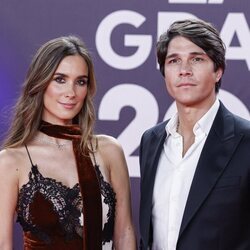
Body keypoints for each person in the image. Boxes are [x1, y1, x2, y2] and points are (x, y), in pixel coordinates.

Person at [0, 35, 137, 250]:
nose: (71, 93)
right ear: (41, 82)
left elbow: (125, 234)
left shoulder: (109, 151)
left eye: (80, 82)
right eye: (60, 79)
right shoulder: (11, 160)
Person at [139, 18, 250, 250]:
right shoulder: (151, 141)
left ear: (218, 70)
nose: (184, 70)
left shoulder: (246, 141)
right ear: (165, 71)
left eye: (196, 59)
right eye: (174, 61)